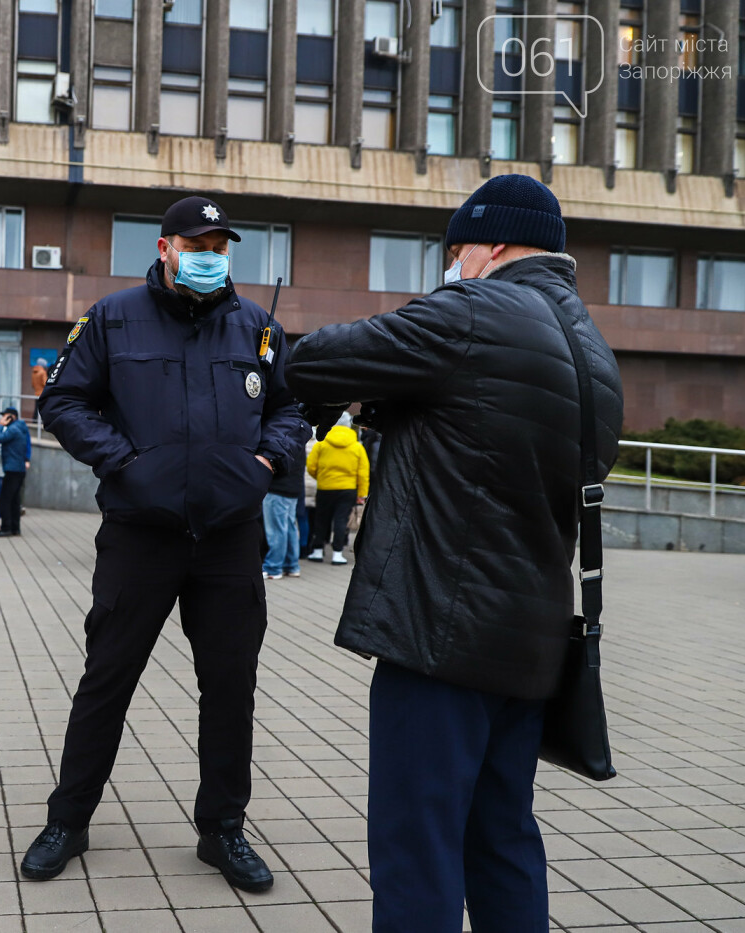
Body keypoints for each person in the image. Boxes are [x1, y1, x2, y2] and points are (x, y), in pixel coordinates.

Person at [286, 174, 623, 931]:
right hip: (530, 645)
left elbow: (318, 362)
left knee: (418, 849)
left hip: (441, 636)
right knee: (502, 839)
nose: (453, 262)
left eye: (457, 247)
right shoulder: (593, 350)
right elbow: (489, 440)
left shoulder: (473, 310)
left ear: (491, 243)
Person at [26, 196, 311, 891]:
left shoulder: (258, 327)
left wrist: (267, 464)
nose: (210, 255)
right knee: (107, 679)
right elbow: (63, 401)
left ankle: (223, 828)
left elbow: (291, 406)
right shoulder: (112, 318)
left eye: (220, 244)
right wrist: (122, 461)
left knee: (229, 688)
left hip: (228, 539)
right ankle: (70, 816)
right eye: (197, 243)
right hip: (139, 535)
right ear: (165, 248)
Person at [304, 411, 369, 565]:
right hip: (348, 489)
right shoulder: (357, 447)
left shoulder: (322, 443)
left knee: (321, 520)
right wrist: (362, 493)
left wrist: (321, 478)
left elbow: (311, 466)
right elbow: (363, 473)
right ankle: (337, 554)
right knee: (341, 521)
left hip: (325, 487)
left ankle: (317, 551)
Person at [261, 448, 303, 581]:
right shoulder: (298, 434)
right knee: (289, 527)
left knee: (276, 529)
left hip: (278, 488)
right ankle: (291, 565)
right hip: (292, 487)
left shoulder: (279, 435)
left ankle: (273, 567)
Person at [0, 407, 30, 538]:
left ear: (11, 417)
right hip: (17, 469)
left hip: (13, 470)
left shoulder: (13, 429)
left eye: (4, 416)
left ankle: (6, 528)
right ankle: (15, 528)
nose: (2, 418)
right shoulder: (21, 428)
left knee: (4, 500)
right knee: (14, 500)